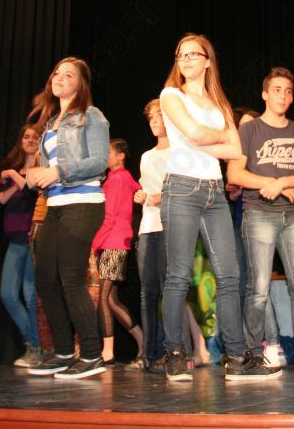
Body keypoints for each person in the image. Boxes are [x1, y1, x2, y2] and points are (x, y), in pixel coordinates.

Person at [159, 33, 274, 381]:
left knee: (229, 276)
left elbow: (236, 151)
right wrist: (215, 137)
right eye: (180, 55)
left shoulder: (219, 103)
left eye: (193, 54)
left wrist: (204, 138)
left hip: (214, 192)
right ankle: (175, 354)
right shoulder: (171, 95)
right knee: (178, 275)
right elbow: (196, 134)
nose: (186, 59)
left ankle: (236, 358)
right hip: (181, 188)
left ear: (208, 61)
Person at [227, 67, 294, 373]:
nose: (283, 96)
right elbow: (235, 173)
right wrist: (275, 184)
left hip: (291, 216)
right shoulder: (249, 130)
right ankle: (253, 355)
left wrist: (282, 182)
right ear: (265, 94)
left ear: (292, 98)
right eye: (277, 90)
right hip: (258, 214)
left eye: (288, 91)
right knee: (258, 289)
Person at [24, 57, 110, 380]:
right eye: (56, 72)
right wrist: (36, 176)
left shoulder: (91, 115)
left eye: (68, 74)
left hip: (83, 202)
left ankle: (91, 354)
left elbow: (99, 162)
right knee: (45, 278)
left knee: (71, 278)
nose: (59, 77)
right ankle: (62, 352)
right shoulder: (50, 123)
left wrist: (57, 171)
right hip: (56, 205)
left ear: (80, 83)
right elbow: (49, 171)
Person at [0, 125, 44, 368]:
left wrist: (16, 177)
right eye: (26, 136)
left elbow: (31, 191)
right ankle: (35, 342)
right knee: (7, 294)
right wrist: (16, 178)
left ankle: (36, 348)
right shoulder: (15, 171)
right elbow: (0, 200)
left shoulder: (42, 170)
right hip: (14, 239)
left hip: (32, 238)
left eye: (35, 137)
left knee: (30, 294)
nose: (30, 140)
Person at [93, 139, 144, 364]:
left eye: (109, 152)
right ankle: (142, 340)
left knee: (104, 298)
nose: (105, 157)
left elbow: (110, 216)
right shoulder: (119, 178)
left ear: (121, 155)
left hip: (113, 242)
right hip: (115, 241)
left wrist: (93, 245)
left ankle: (108, 352)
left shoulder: (118, 178)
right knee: (112, 300)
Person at [129, 100, 171, 371]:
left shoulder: (179, 153)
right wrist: (141, 196)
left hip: (170, 226)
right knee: (147, 292)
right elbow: (145, 190)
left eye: (159, 116)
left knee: (170, 291)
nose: (155, 121)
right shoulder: (146, 156)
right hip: (147, 226)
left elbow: (185, 190)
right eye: (151, 118)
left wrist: (160, 197)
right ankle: (148, 353)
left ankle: (171, 351)